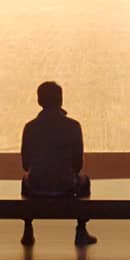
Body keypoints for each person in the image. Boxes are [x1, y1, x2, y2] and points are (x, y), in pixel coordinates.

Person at [20, 80, 93, 248]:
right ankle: (81, 230)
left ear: (39, 101)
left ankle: (28, 229)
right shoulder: (73, 126)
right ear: (61, 100)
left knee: (24, 181)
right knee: (85, 181)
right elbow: (78, 165)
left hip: (36, 185)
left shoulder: (30, 127)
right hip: (66, 185)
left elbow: (25, 164)